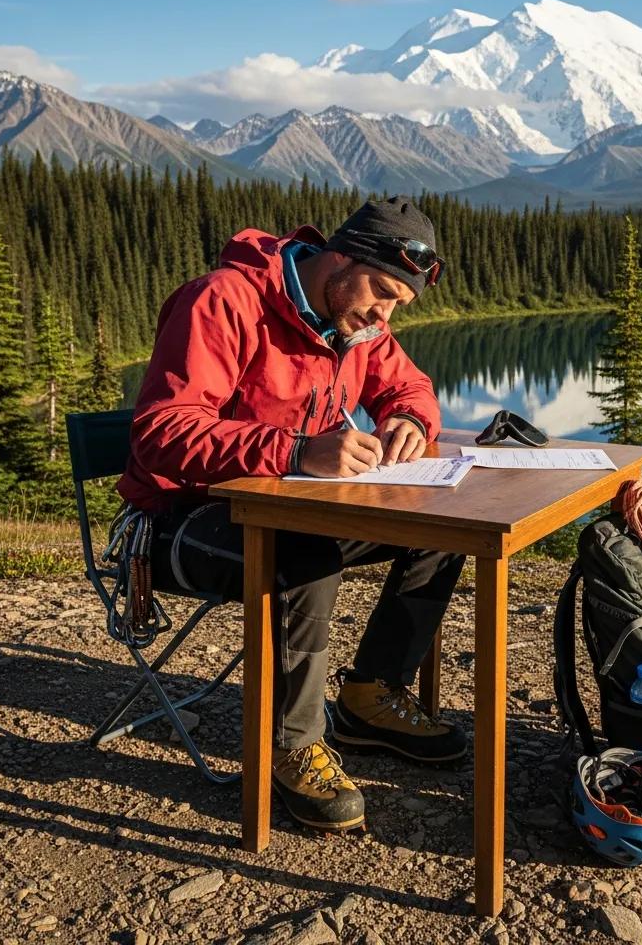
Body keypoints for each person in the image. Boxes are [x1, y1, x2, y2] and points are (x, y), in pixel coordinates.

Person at [116, 196, 467, 833]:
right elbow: (161, 434)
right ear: (343, 258)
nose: (382, 316)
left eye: (396, 306)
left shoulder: (357, 325)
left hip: (287, 505)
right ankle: (292, 744)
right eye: (382, 294)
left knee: (441, 526)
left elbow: (409, 386)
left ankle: (369, 698)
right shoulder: (223, 301)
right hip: (181, 517)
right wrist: (299, 453)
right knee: (304, 549)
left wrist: (409, 419)